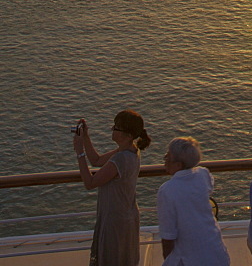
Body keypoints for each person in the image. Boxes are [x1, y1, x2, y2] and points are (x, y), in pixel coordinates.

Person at [73, 109, 151, 266]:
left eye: (116, 127)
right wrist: (86, 138)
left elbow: (90, 183)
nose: (112, 129)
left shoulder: (121, 159)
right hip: (126, 216)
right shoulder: (130, 150)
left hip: (115, 220)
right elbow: (96, 160)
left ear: (128, 135)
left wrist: (79, 152)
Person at [157, 136, 230, 265]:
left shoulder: (167, 190)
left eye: (168, 157)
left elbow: (168, 236)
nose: (165, 160)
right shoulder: (203, 174)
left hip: (191, 259)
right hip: (217, 253)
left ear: (179, 165)